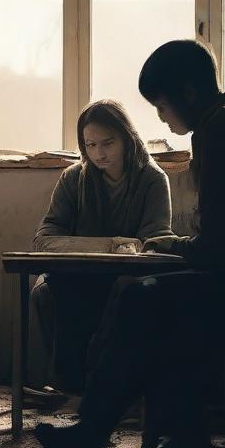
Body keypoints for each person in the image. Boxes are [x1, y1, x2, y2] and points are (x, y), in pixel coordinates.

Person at [35, 40, 225, 448]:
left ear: (188, 93)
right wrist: (182, 247)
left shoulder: (220, 132)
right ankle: (174, 436)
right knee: (149, 296)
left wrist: (174, 245)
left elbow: (220, 249)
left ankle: (96, 431)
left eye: (162, 106)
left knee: (140, 296)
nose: (161, 117)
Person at [31, 99, 172, 393]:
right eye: (90, 145)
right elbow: (44, 240)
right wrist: (113, 245)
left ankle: (97, 390)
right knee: (51, 288)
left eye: (107, 143)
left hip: (126, 276)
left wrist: (131, 250)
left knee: (125, 292)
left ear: (127, 138)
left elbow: (154, 246)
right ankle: (71, 387)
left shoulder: (153, 179)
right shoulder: (73, 178)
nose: (99, 153)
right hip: (77, 273)